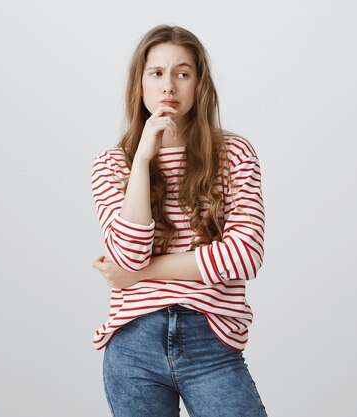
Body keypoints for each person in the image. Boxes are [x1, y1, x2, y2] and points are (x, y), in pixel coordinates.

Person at [90, 25, 268, 417]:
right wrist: (140, 162)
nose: (168, 85)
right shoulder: (111, 165)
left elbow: (244, 255)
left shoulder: (234, 154)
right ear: (140, 84)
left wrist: (139, 275)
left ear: (199, 83)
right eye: (156, 73)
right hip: (133, 343)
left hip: (212, 339)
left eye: (182, 73)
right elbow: (128, 256)